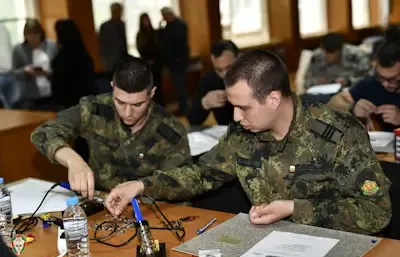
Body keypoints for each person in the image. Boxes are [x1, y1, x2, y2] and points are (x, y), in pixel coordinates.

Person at [105, 50, 391, 235]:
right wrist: (142, 185)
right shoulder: (243, 133)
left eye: (244, 107)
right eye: (233, 106)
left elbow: (376, 213)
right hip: (265, 246)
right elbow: (202, 174)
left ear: (273, 99)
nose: (235, 116)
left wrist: (294, 208)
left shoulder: (339, 135)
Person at [30, 57, 192, 199]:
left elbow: (182, 181)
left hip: (148, 208)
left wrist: (142, 187)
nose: (128, 113)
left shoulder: (171, 131)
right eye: (120, 102)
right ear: (112, 87)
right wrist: (73, 160)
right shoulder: (94, 110)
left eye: (137, 104)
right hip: (99, 201)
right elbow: (43, 133)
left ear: (152, 93)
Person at [328, 41, 400, 132]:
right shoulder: (372, 83)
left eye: (392, 79)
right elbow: (334, 103)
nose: (385, 84)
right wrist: (352, 109)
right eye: (380, 77)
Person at [187, 40, 238, 125]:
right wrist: (206, 103)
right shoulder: (210, 80)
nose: (224, 75)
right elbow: (192, 119)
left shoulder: (255, 75)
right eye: (219, 70)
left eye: (229, 67)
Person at [12, 19, 58, 109]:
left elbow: (59, 67)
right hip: (30, 95)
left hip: (52, 92)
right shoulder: (19, 49)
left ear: (41, 34)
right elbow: (14, 72)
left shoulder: (51, 45)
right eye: (29, 35)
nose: (33, 38)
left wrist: (48, 73)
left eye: (36, 34)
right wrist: (25, 71)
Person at [51, 19, 96, 110]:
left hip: (70, 101)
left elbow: (60, 80)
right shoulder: (82, 50)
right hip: (87, 99)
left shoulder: (64, 55)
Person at [304, 33, 370, 89]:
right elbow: (306, 83)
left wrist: (349, 82)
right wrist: (317, 82)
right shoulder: (316, 57)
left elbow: (369, 79)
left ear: (341, 50)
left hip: (349, 92)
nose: (329, 57)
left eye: (332, 53)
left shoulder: (356, 55)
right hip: (323, 94)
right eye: (326, 53)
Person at [159, 7, 189, 115]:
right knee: (177, 86)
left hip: (179, 61)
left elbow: (180, 44)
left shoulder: (180, 25)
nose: (163, 18)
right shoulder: (167, 26)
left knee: (180, 85)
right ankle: (182, 106)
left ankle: (184, 108)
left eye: (164, 16)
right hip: (172, 62)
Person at [136, 13, 164, 107]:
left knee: (158, 86)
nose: (146, 22)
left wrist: (155, 59)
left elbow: (159, 47)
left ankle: (161, 105)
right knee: (148, 86)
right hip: (146, 64)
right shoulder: (140, 35)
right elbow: (140, 48)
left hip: (156, 63)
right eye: (144, 20)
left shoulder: (155, 33)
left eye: (147, 19)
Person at [99, 2, 128, 71]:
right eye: (116, 11)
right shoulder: (105, 26)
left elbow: (123, 43)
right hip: (110, 60)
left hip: (122, 59)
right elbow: (101, 44)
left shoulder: (122, 25)